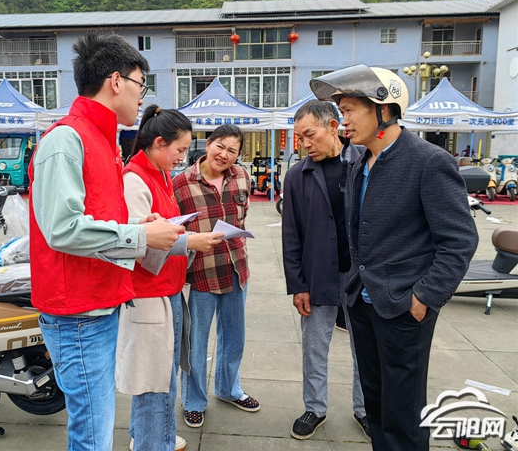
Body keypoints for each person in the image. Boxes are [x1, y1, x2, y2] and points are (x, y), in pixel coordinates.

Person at [29, 32, 184, 451]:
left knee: (97, 424)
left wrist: (139, 224)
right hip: (79, 312)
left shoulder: (102, 140)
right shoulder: (66, 139)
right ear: (117, 81)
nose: (141, 97)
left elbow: (97, 218)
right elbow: (62, 228)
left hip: (99, 302)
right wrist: (140, 234)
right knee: (93, 433)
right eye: (141, 85)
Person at [310, 65, 477, 451]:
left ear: (383, 109)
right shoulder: (359, 162)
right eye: (341, 111)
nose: (343, 121)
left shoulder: (428, 161)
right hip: (362, 304)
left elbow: (459, 241)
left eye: (350, 110)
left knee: (403, 413)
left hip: (404, 307)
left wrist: (424, 297)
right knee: (376, 405)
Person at [118, 104, 223, 451]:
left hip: (167, 290)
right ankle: (153, 442)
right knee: (154, 381)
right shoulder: (134, 180)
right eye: (179, 149)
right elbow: (137, 243)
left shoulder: (159, 174)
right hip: (149, 294)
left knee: (159, 375)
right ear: (159, 142)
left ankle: (151, 435)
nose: (182, 157)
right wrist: (189, 241)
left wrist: (185, 237)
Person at [281, 100, 369, 442]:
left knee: (366, 347)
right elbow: (291, 234)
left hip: (361, 276)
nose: (305, 144)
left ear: (333, 127)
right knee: (314, 346)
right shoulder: (297, 175)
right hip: (317, 274)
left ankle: (366, 409)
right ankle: (315, 408)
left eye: (309, 134)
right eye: (299, 138)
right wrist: (297, 285)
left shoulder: (365, 163)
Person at [173, 124, 260, 429]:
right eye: (220, 146)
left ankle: (228, 389)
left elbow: (242, 217)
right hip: (201, 273)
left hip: (236, 268)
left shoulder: (242, 176)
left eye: (232, 150)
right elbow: (174, 228)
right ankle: (194, 401)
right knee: (196, 342)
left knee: (234, 338)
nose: (224, 154)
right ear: (208, 144)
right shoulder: (181, 182)